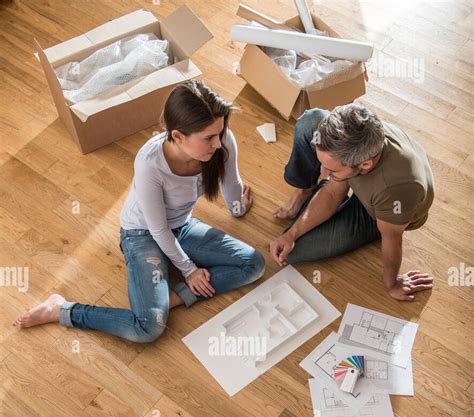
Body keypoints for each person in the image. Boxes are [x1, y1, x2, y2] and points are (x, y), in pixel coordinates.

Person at [13, 81, 265, 339]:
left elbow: (231, 183)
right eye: (209, 138)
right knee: (147, 327)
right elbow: (157, 228)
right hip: (142, 234)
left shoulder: (221, 142)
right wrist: (189, 270)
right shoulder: (150, 163)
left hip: (182, 225)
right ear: (178, 136)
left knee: (253, 264)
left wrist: (237, 208)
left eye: (220, 133)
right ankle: (62, 309)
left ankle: (171, 299)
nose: (218, 144)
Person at [270, 103, 434, 301]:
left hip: (381, 212)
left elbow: (392, 237)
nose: (323, 173)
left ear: (365, 164)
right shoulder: (356, 140)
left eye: (332, 170)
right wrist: (291, 234)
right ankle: (307, 191)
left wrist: (393, 283)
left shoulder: (395, 189)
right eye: (322, 164)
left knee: (293, 253)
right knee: (311, 120)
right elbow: (332, 192)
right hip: (364, 181)